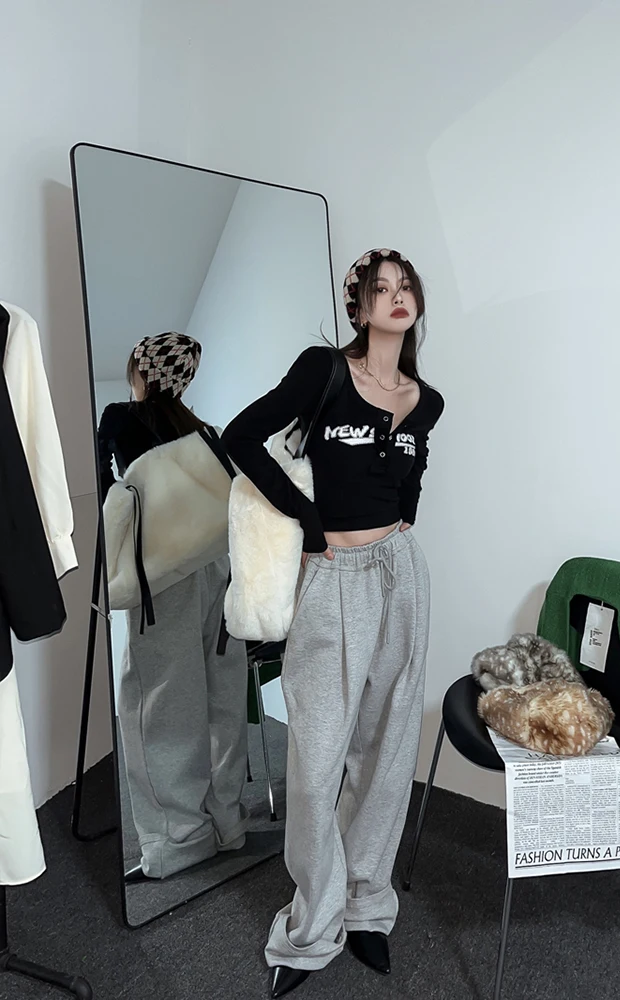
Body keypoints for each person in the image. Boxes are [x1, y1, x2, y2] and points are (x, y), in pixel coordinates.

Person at [222, 249, 444, 997]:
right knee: (318, 761)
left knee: (387, 752)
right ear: (358, 306)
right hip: (334, 578)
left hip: (401, 577)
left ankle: (365, 903)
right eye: (381, 288)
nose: (396, 297)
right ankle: (311, 925)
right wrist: (309, 520)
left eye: (406, 287)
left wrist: (404, 513)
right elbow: (240, 437)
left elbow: (413, 472)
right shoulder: (323, 371)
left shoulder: (426, 400)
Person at [97, 332, 248, 880]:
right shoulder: (205, 432)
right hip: (218, 568)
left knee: (160, 702)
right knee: (221, 694)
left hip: (163, 579)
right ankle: (227, 822)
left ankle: (178, 839)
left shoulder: (121, 418)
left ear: (142, 369)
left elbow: (104, 492)